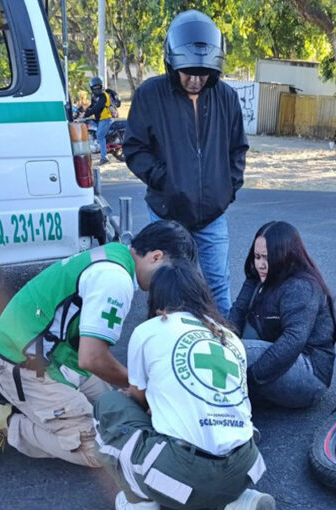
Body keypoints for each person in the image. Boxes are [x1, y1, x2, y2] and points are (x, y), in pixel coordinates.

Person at [0, 220, 197, 468]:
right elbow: (93, 358)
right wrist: (139, 388)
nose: (171, 282)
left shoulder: (116, 254)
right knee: (101, 451)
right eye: (171, 272)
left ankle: (37, 407)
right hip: (24, 361)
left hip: (54, 351)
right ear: (156, 257)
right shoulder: (115, 279)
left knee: (118, 415)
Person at [94, 260, 274, 510]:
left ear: (158, 297)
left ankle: (142, 508)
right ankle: (238, 501)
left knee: (110, 404)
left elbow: (139, 398)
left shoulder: (149, 331)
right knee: (207, 452)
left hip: (181, 475)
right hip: (246, 464)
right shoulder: (230, 337)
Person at [123, 10, 249, 317]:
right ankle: (166, 345)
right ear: (172, 63)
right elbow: (135, 148)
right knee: (168, 285)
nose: (195, 80)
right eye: (188, 72)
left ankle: (223, 346)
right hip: (167, 213)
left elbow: (237, 149)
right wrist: (165, 181)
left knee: (218, 284)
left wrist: (227, 189)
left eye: (203, 73)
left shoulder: (227, 98)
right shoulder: (150, 95)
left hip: (212, 216)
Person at [228, 221, 336, 409]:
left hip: (310, 375)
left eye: (267, 258)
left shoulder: (301, 287)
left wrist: (248, 380)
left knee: (231, 351)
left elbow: (293, 340)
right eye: (257, 256)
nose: (260, 264)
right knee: (219, 344)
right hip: (276, 358)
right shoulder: (257, 274)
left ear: (286, 257)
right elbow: (237, 311)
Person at [83, 76, 116, 164]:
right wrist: (82, 111)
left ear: (102, 86)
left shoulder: (104, 96)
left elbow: (97, 108)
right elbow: (92, 106)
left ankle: (104, 157)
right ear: (92, 88)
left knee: (100, 135)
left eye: (99, 87)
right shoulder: (94, 96)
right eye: (95, 88)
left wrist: (86, 114)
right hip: (100, 119)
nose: (97, 89)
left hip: (106, 119)